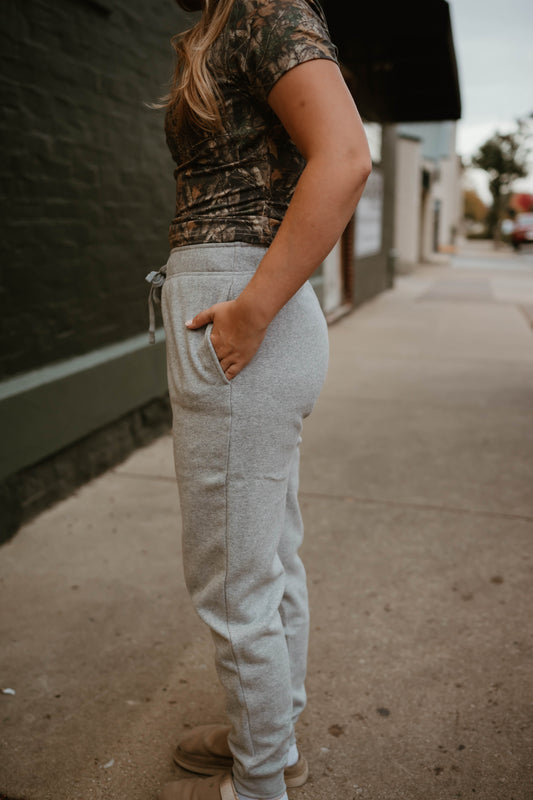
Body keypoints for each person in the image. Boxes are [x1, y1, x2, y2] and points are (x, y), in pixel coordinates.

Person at [148, 1, 371, 799]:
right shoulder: (227, 16)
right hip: (241, 301)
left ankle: (261, 781)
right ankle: (268, 738)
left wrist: (249, 311)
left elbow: (345, 156)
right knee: (267, 555)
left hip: (241, 307)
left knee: (233, 579)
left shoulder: (262, 6)